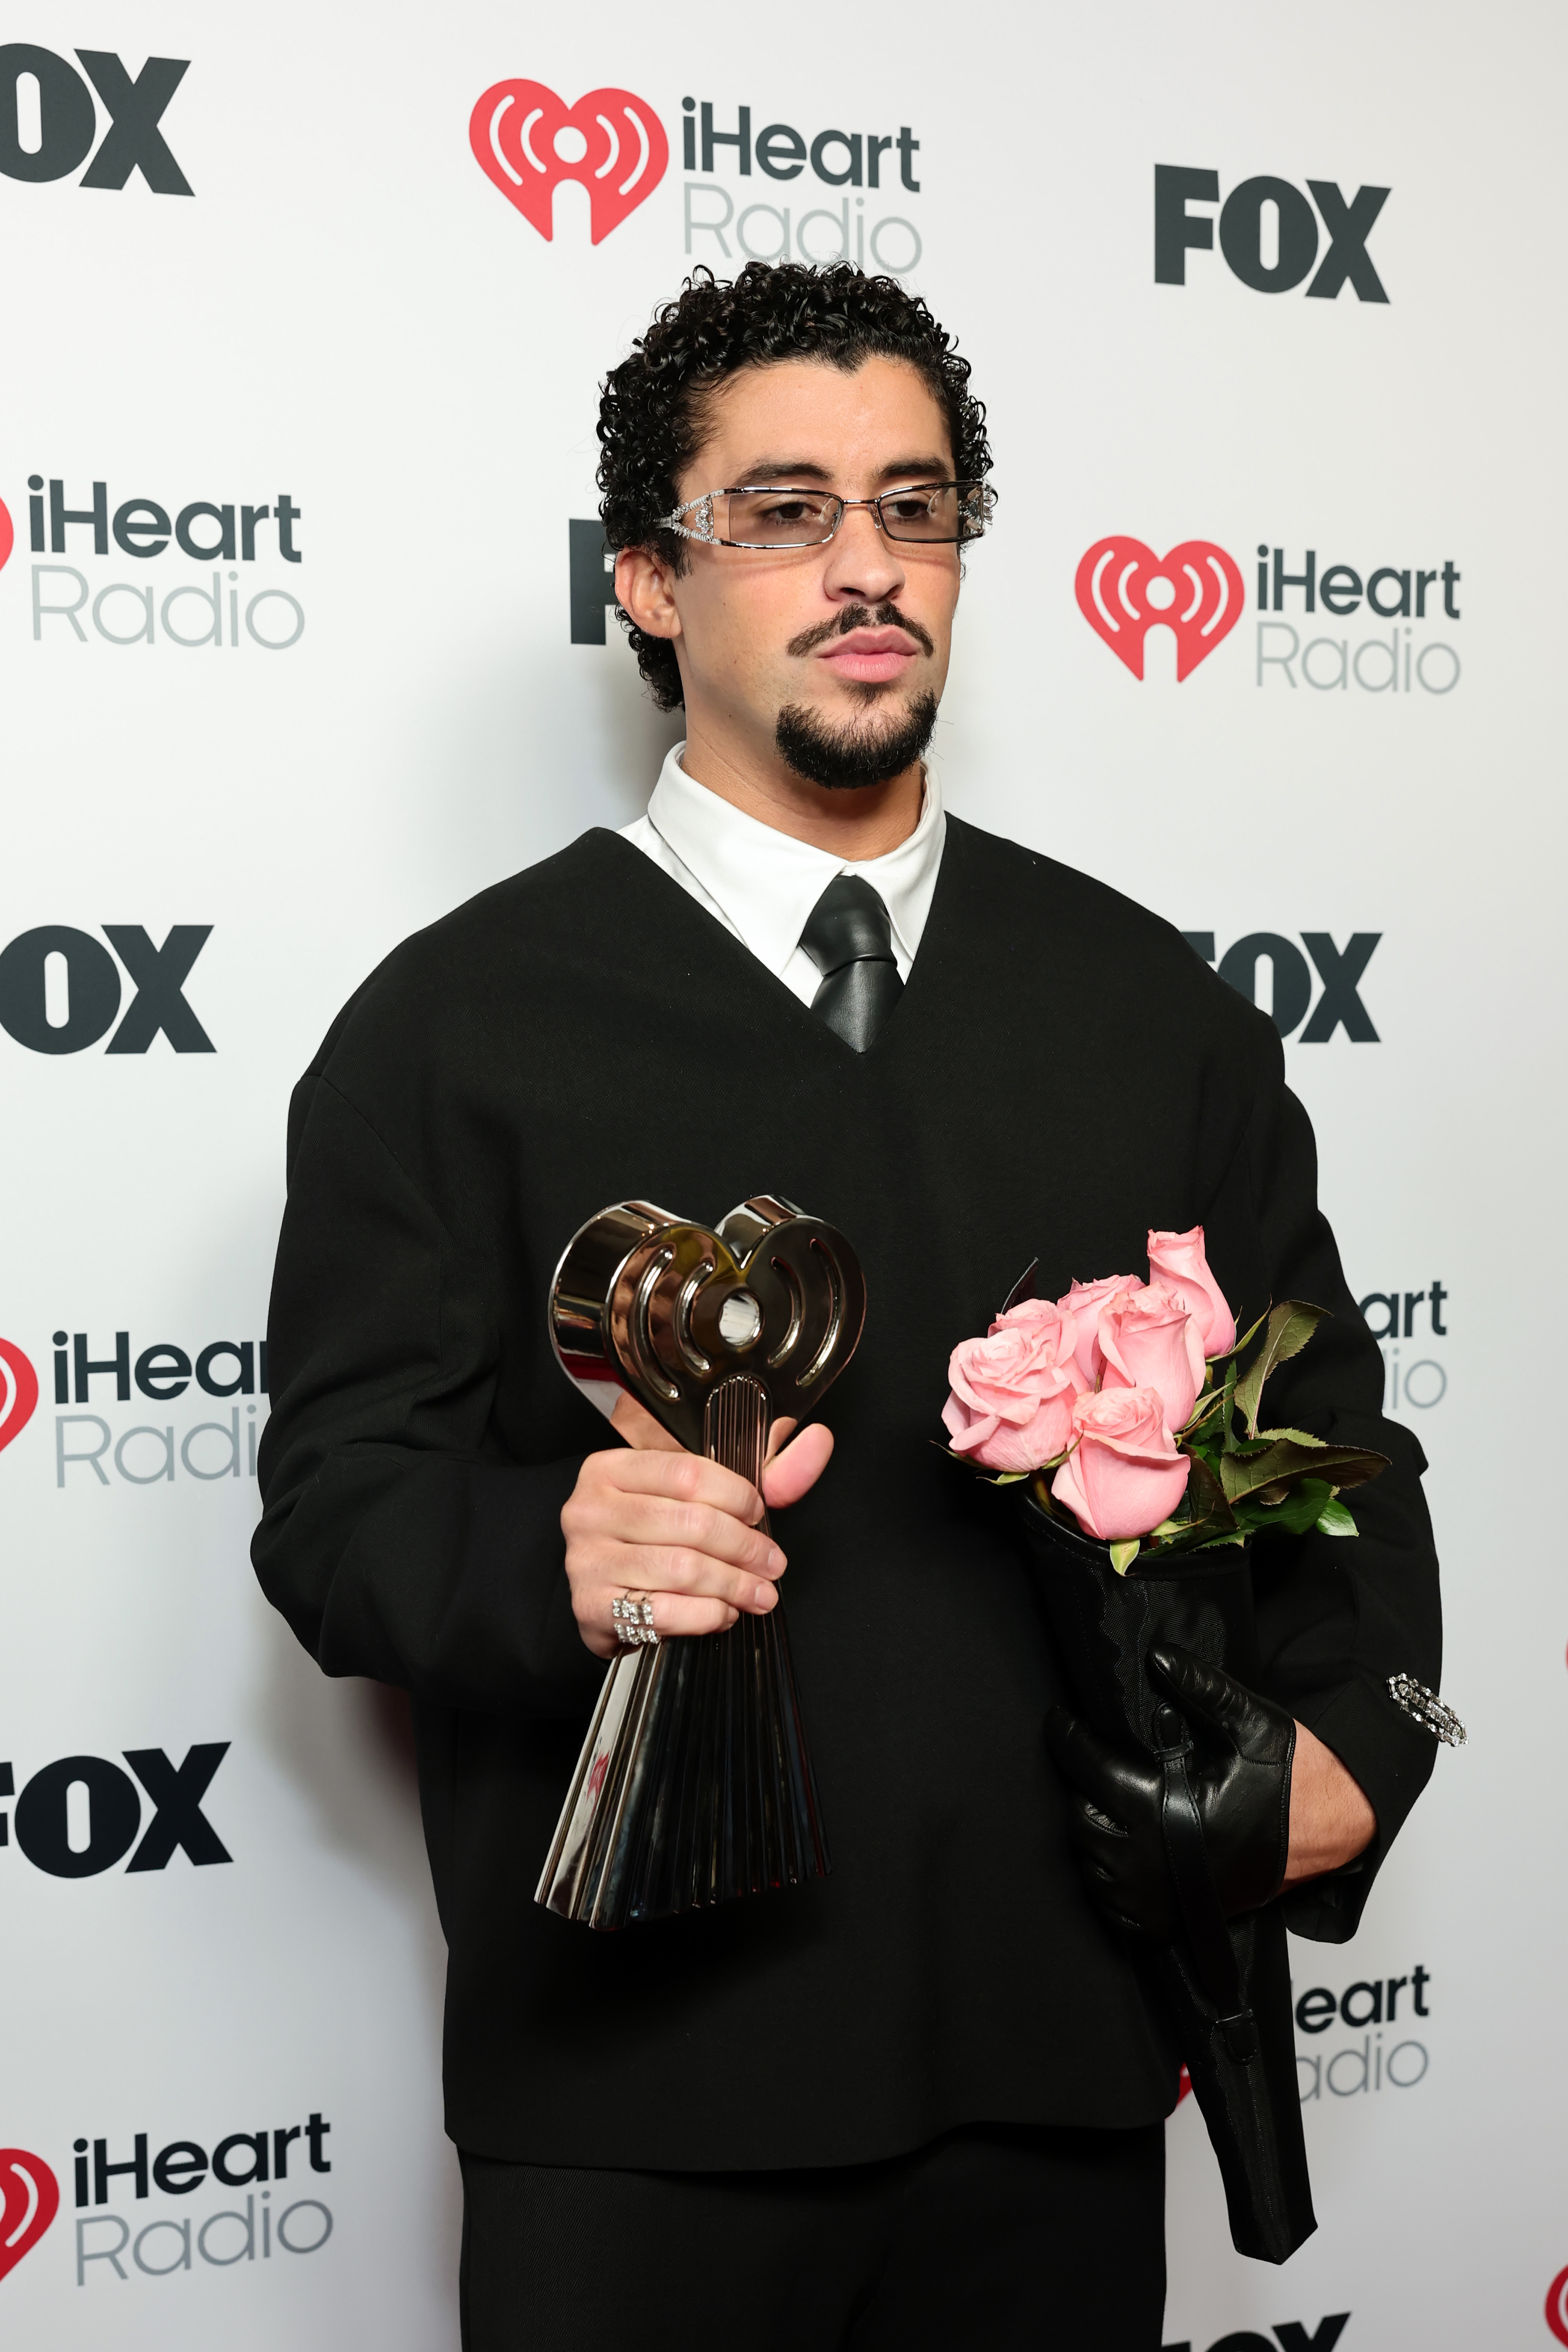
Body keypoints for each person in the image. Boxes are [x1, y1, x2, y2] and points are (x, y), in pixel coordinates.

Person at [253, 262, 1442, 2350]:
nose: (867, 566)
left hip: (1061, 2068)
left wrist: (1361, 1738)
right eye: (784, 509)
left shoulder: (1142, 1008)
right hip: (635, 2106)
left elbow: (1319, 1436)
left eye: (914, 508)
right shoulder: (452, 1028)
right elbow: (341, 1504)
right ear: (647, 577)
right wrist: (548, 1548)